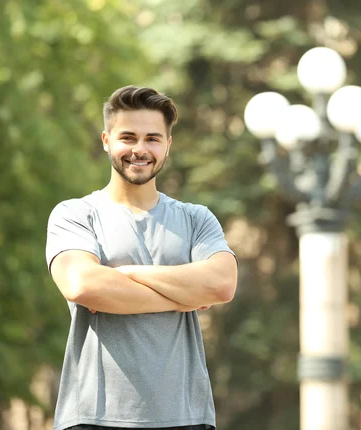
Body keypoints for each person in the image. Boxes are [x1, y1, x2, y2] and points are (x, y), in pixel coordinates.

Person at [45, 85, 238, 430]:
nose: (140, 149)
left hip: (186, 417)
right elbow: (82, 285)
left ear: (168, 145)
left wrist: (129, 273)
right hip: (93, 417)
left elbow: (222, 284)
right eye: (128, 137)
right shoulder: (75, 214)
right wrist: (185, 297)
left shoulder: (196, 219)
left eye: (152, 138)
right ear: (106, 140)